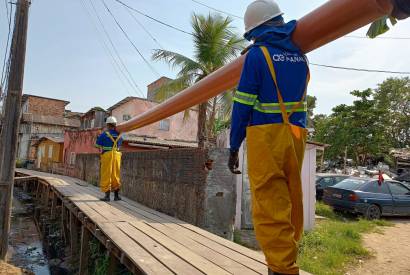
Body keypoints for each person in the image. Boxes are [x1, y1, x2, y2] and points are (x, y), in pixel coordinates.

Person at [228, 1, 310, 274]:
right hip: (296, 134)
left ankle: (281, 268)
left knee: (269, 203)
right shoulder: (300, 54)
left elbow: (242, 105)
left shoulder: (256, 56)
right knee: (290, 196)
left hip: (267, 136)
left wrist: (234, 144)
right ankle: (288, 256)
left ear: (255, 30)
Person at [95, 116, 123, 202]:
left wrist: (98, 138)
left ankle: (107, 196)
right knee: (116, 174)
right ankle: (116, 196)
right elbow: (119, 144)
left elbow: (97, 146)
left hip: (107, 155)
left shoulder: (104, 134)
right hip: (117, 155)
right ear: (115, 125)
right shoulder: (120, 135)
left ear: (107, 125)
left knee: (106, 174)